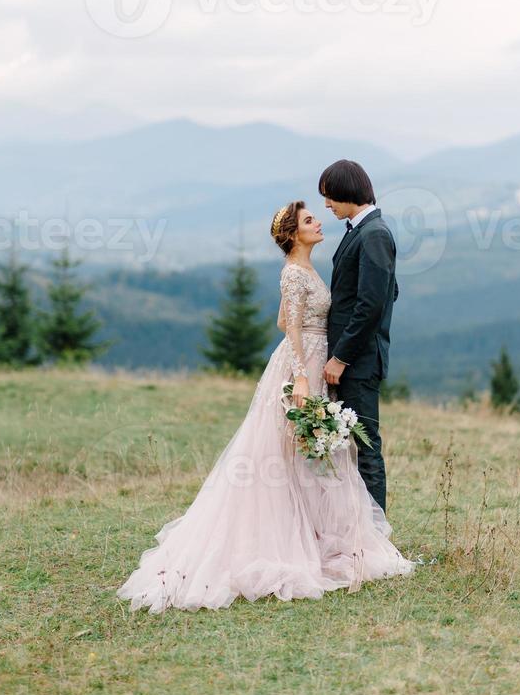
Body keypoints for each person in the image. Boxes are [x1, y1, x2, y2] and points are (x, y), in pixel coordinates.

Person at [115, 200, 414, 613]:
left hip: (314, 354)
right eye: (310, 220)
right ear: (293, 234)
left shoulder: (304, 269)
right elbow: (289, 327)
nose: (318, 221)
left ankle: (318, 535)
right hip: (302, 365)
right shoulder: (293, 272)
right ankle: (286, 541)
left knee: (307, 454)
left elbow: (280, 319)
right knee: (289, 452)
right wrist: (302, 375)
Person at [319, 160, 397, 513]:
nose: (326, 205)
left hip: (360, 362)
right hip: (354, 358)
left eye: (329, 196)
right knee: (350, 446)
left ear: (346, 191)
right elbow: (386, 291)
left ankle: (376, 537)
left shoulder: (374, 234)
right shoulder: (359, 231)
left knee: (366, 449)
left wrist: (341, 356)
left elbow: (372, 304)